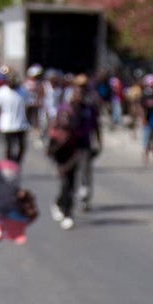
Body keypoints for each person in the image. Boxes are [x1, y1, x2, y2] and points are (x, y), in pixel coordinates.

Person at [45, 80, 100, 229]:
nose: (79, 96)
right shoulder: (64, 110)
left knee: (74, 180)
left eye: (81, 93)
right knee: (65, 181)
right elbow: (55, 131)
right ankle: (59, 202)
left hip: (81, 148)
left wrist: (98, 142)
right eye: (76, 93)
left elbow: (95, 126)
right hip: (65, 150)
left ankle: (69, 212)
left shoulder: (88, 109)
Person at [0, 72, 30, 164]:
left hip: (21, 123)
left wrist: (29, 119)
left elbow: (29, 106)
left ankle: (17, 162)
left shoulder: (23, 91)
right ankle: (9, 164)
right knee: (9, 146)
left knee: (22, 146)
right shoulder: (0, 92)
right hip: (7, 123)